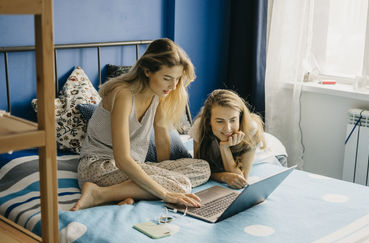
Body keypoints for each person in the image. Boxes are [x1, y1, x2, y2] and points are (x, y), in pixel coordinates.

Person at [71, 38, 210, 211]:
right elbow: (121, 159)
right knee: (180, 185)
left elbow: (161, 139)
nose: (173, 86)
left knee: (202, 167)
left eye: (177, 78)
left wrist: (163, 172)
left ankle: (125, 192)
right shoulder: (123, 94)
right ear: (147, 71)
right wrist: (165, 192)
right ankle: (97, 194)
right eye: (167, 78)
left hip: (133, 166)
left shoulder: (158, 94)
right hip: (100, 168)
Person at [189, 89, 266, 189]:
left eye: (233, 120)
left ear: (240, 117)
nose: (227, 128)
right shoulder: (199, 127)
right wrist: (223, 177)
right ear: (209, 121)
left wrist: (225, 148)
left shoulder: (251, 129)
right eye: (220, 121)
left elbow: (241, 180)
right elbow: (200, 170)